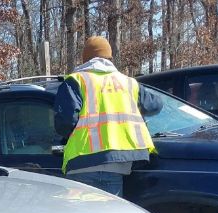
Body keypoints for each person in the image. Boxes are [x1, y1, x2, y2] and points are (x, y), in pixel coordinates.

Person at [54, 36, 162, 196]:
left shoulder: (76, 81)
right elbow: (156, 105)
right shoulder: (128, 83)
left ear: (85, 59)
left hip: (82, 163)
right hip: (118, 164)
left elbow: (65, 122)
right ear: (110, 58)